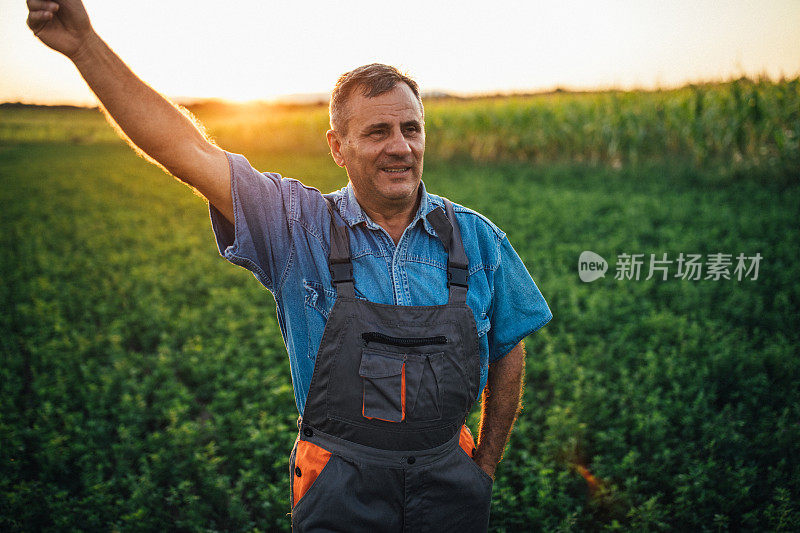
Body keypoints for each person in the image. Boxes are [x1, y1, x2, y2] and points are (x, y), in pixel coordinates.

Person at [27, 1, 553, 531]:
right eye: (376, 132)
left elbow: (508, 346)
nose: (400, 147)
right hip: (340, 488)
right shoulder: (297, 226)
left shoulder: (478, 240)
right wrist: (85, 46)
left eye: (411, 129)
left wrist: (484, 465)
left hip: (450, 483)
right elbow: (187, 149)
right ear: (337, 147)